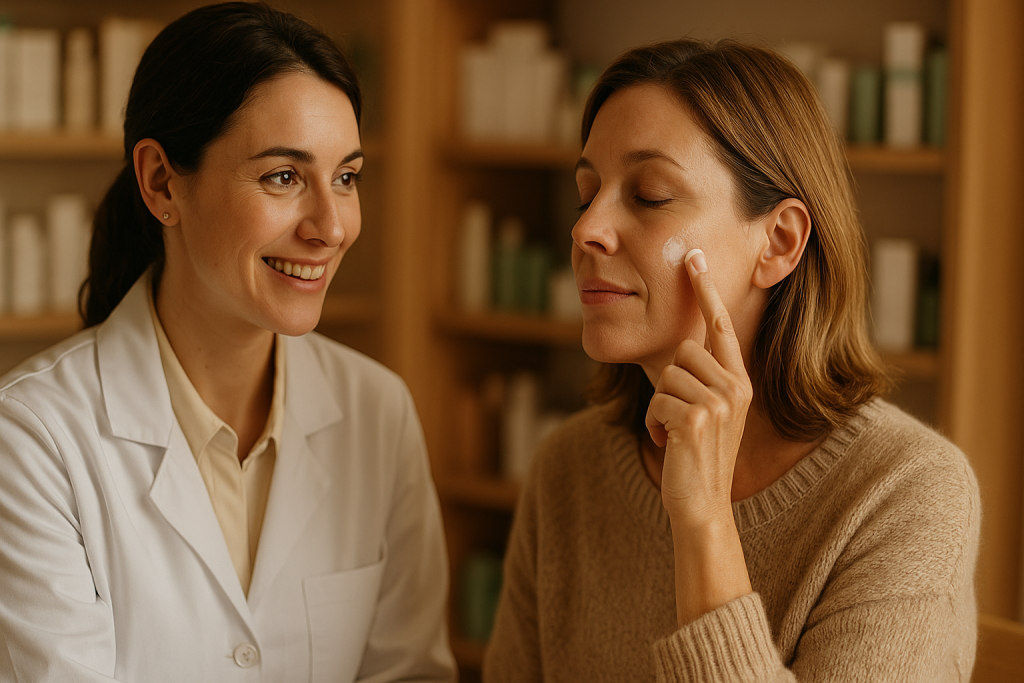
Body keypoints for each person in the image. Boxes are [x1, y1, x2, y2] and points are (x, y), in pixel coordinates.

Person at [483, 38, 979, 682]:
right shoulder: (567, 469)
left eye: (650, 195)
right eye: (587, 193)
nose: (585, 230)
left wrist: (704, 522)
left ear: (779, 243)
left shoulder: (908, 492)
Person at [0, 3, 454, 681]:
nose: (331, 228)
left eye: (346, 178)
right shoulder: (34, 438)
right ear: (161, 182)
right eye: (283, 177)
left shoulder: (378, 413)